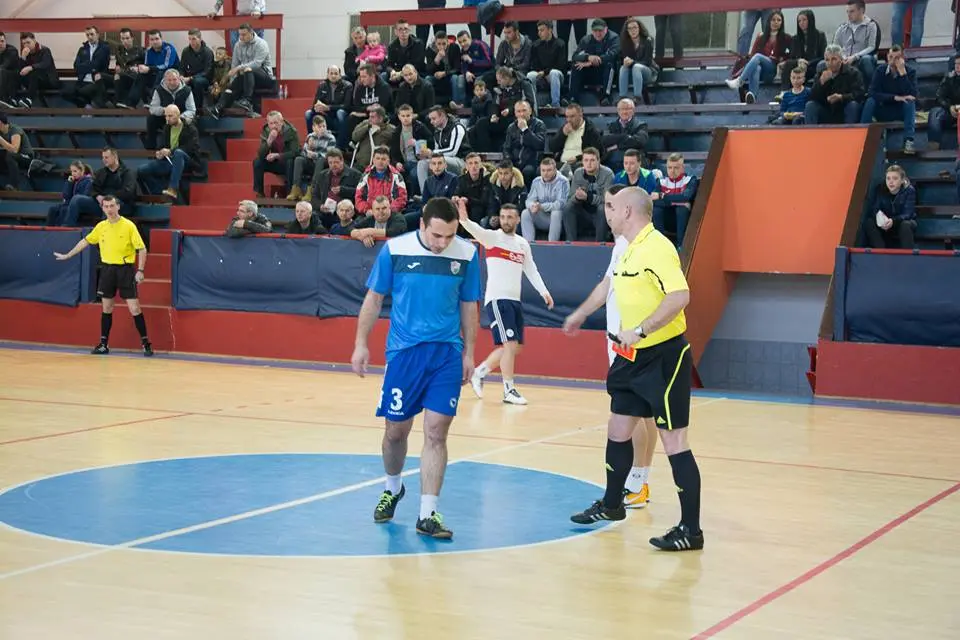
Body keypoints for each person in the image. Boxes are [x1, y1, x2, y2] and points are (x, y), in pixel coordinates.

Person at [563, 186, 702, 551]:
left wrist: (640, 330)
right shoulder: (626, 249)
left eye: (612, 207)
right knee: (618, 427)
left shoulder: (657, 247)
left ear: (627, 211)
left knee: (674, 441)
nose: (607, 212)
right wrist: (581, 313)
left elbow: (680, 295)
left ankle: (691, 530)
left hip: (663, 357)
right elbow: (608, 287)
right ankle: (612, 504)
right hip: (629, 356)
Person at [351, 197, 482, 540]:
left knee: (437, 432)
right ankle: (393, 488)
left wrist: (469, 353)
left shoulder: (467, 254)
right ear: (422, 225)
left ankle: (428, 513)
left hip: (446, 354)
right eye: (437, 235)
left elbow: (469, 305)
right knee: (396, 432)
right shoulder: (395, 250)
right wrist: (361, 343)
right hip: (404, 354)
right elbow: (374, 299)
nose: (443, 243)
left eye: (450, 236)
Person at [457, 201, 553, 405]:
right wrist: (463, 218)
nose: (506, 221)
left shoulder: (522, 244)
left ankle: (479, 372)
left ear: (517, 219)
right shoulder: (492, 238)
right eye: (503, 217)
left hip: (514, 301)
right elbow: (474, 228)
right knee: (509, 345)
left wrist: (544, 291)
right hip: (498, 299)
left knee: (514, 347)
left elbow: (531, 269)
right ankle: (509, 390)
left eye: (510, 217)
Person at [52, 195, 154, 357]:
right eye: (106, 206)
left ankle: (145, 343)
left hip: (125, 270)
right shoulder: (101, 227)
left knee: (134, 308)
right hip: (107, 270)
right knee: (106, 308)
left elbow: (141, 249)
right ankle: (103, 344)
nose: (109, 209)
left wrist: (140, 270)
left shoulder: (129, 225)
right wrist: (68, 255)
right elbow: (85, 241)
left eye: (112, 206)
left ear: (118, 207)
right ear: (102, 208)